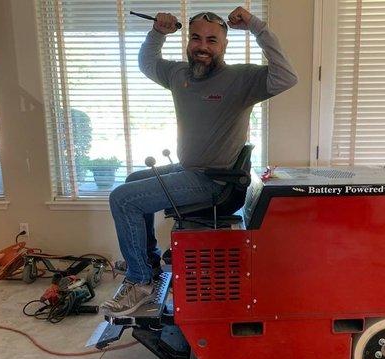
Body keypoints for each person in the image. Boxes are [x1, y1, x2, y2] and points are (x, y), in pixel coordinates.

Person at [101, 6, 297, 316]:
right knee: (131, 183)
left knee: (122, 199)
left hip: (215, 182)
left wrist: (257, 27)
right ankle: (149, 269)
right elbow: (147, 63)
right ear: (188, 41)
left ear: (224, 45)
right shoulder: (180, 74)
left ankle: (139, 283)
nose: (202, 46)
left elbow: (286, 76)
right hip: (188, 170)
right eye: (196, 38)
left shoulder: (241, 79)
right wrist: (157, 33)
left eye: (211, 40)